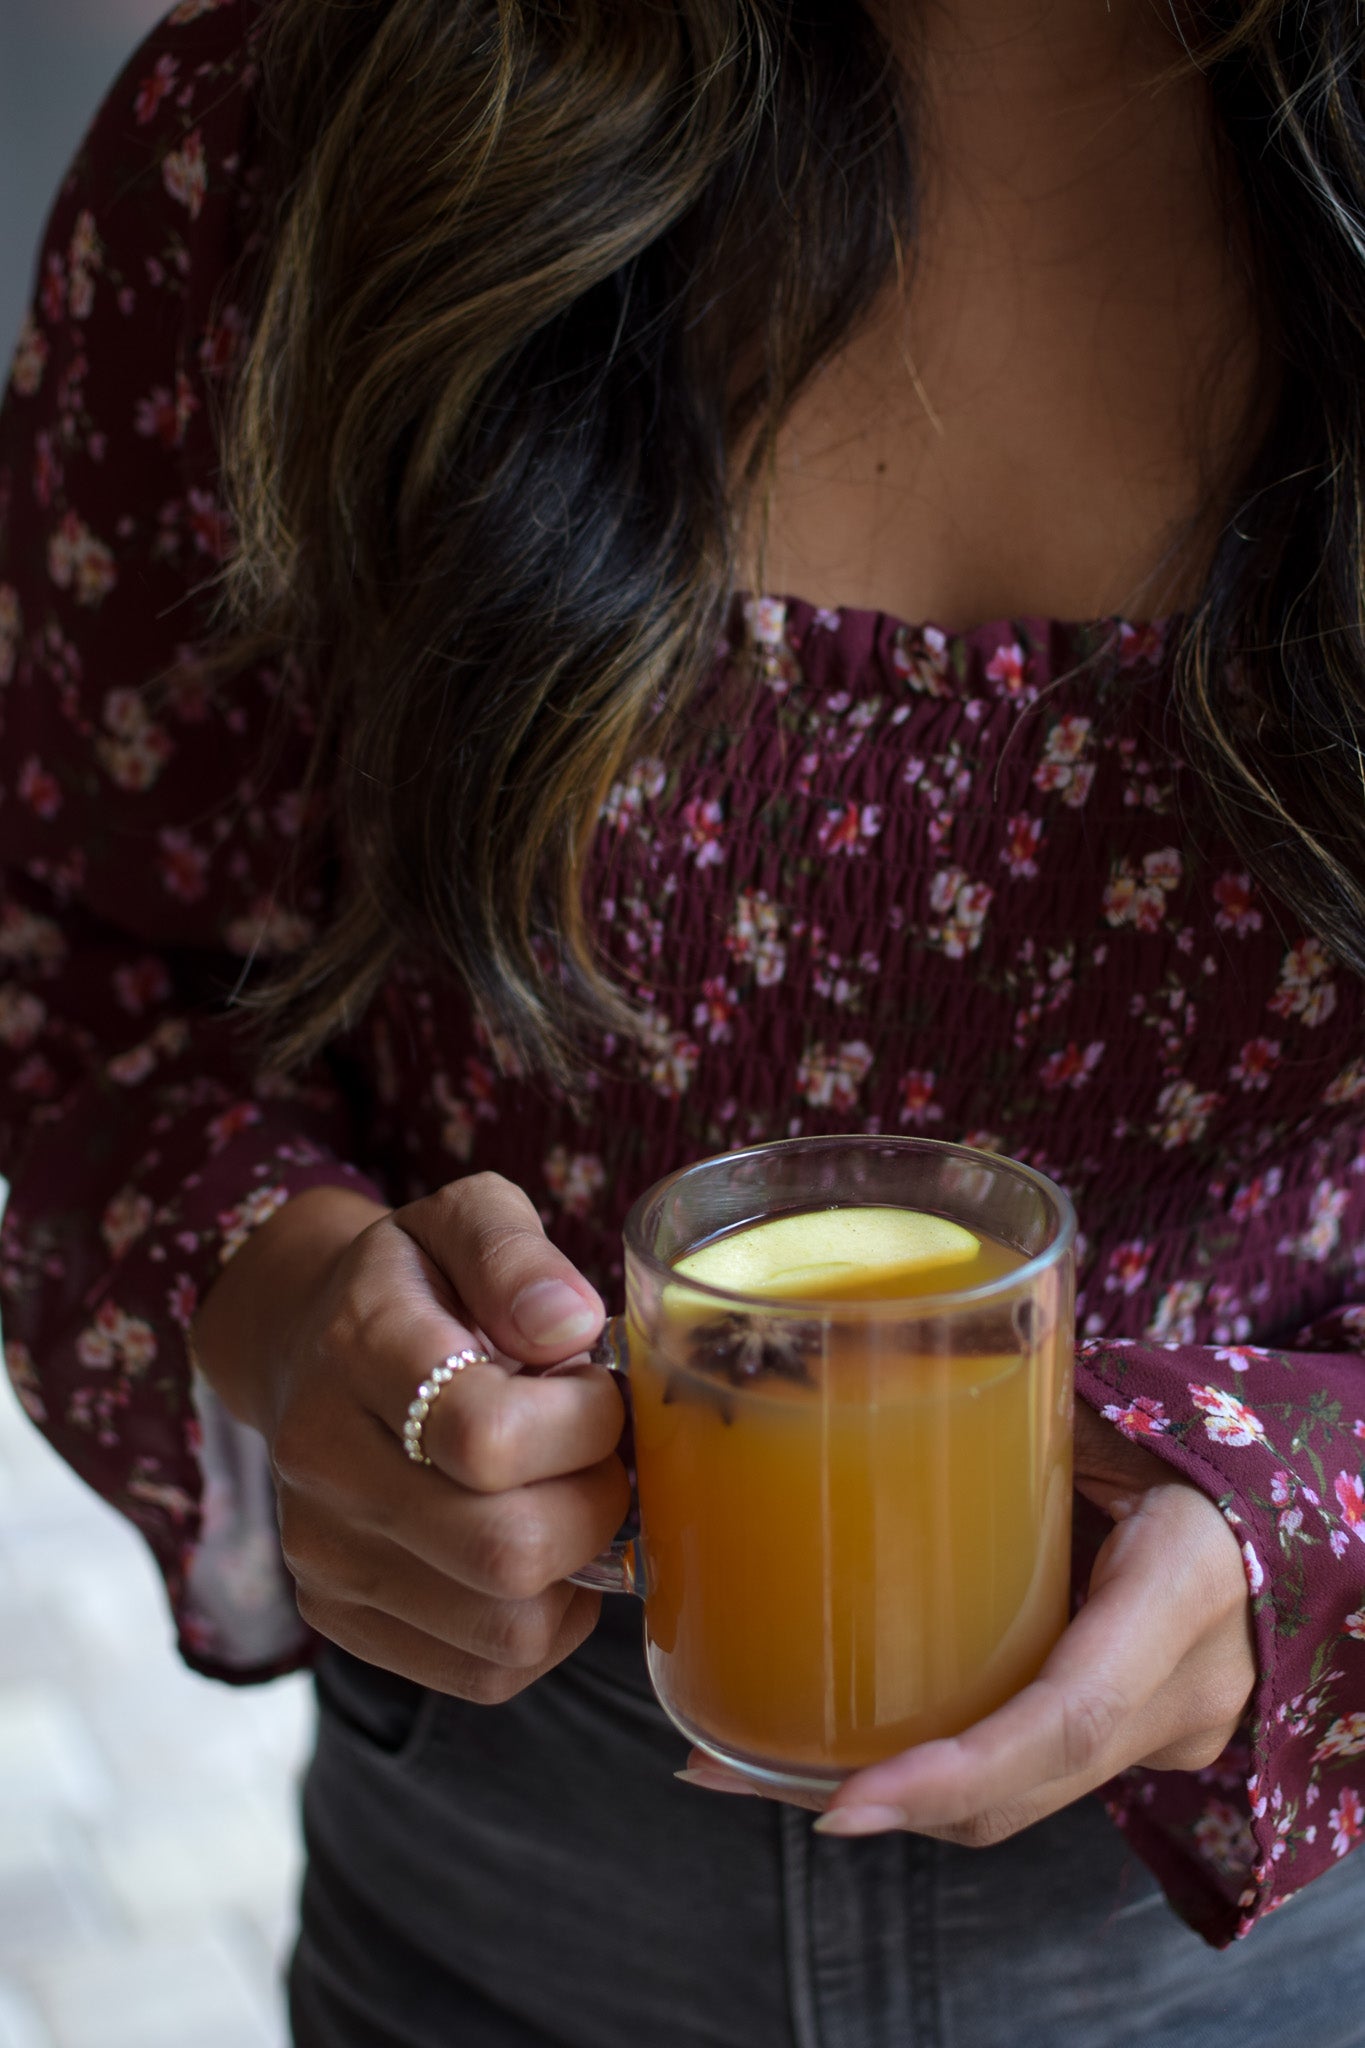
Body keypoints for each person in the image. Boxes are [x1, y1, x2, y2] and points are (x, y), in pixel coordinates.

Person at [5, 0, 1365, 2040]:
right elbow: (79, 979)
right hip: (487, 1910)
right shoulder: (280, 130)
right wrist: (278, 1305)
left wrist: (1311, 1522)